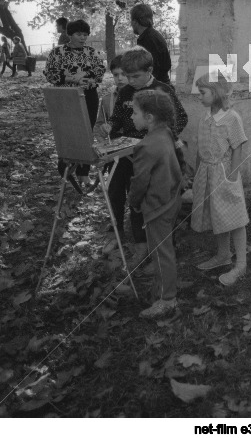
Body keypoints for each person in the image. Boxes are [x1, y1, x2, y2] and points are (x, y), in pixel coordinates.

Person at [108, 47, 188, 267]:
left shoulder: (163, 90)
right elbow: (117, 121)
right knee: (134, 198)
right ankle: (141, 246)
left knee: (156, 200)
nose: (130, 81)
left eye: (135, 76)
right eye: (126, 76)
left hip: (155, 154)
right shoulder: (125, 93)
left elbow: (180, 117)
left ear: (149, 70)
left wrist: (165, 136)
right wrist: (115, 137)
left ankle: (164, 248)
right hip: (127, 155)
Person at [127, 90, 183, 319]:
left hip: (157, 206)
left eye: (135, 112)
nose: (131, 116)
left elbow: (139, 182)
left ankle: (167, 300)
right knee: (163, 250)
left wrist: (134, 203)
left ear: (149, 117)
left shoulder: (146, 146)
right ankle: (160, 289)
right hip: (170, 199)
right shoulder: (166, 134)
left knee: (161, 253)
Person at [191, 74, 249, 286]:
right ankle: (223, 254)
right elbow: (200, 148)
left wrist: (232, 176)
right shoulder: (205, 117)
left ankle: (241, 263)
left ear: (216, 93)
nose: (199, 97)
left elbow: (237, 147)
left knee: (234, 216)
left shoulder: (231, 117)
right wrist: (198, 171)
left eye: (203, 92)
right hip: (207, 173)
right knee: (218, 215)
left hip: (224, 173)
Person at [43, 19, 106, 189]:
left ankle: (84, 174)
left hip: (88, 96)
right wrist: (72, 78)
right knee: (67, 132)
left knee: (86, 132)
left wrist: (87, 80)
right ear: (69, 34)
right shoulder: (57, 53)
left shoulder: (92, 53)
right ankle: (66, 171)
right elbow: (50, 74)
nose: (83, 37)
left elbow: (100, 72)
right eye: (79, 34)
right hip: (66, 98)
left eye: (85, 34)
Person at [130, 4, 172, 84]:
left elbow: (151, 68)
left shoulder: (148, 39)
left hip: (155, 88)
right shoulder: (153, 35)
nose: (131, 24)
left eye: (131, 21)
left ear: (135, 22)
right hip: (160, 84)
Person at [95, 54, 127, 140]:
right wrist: (102, 131)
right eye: (116, 75)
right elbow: (99, 125)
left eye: (124, 74)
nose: (120, 78)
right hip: (116, 147)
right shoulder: (106, 100)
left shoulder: (141, 97)